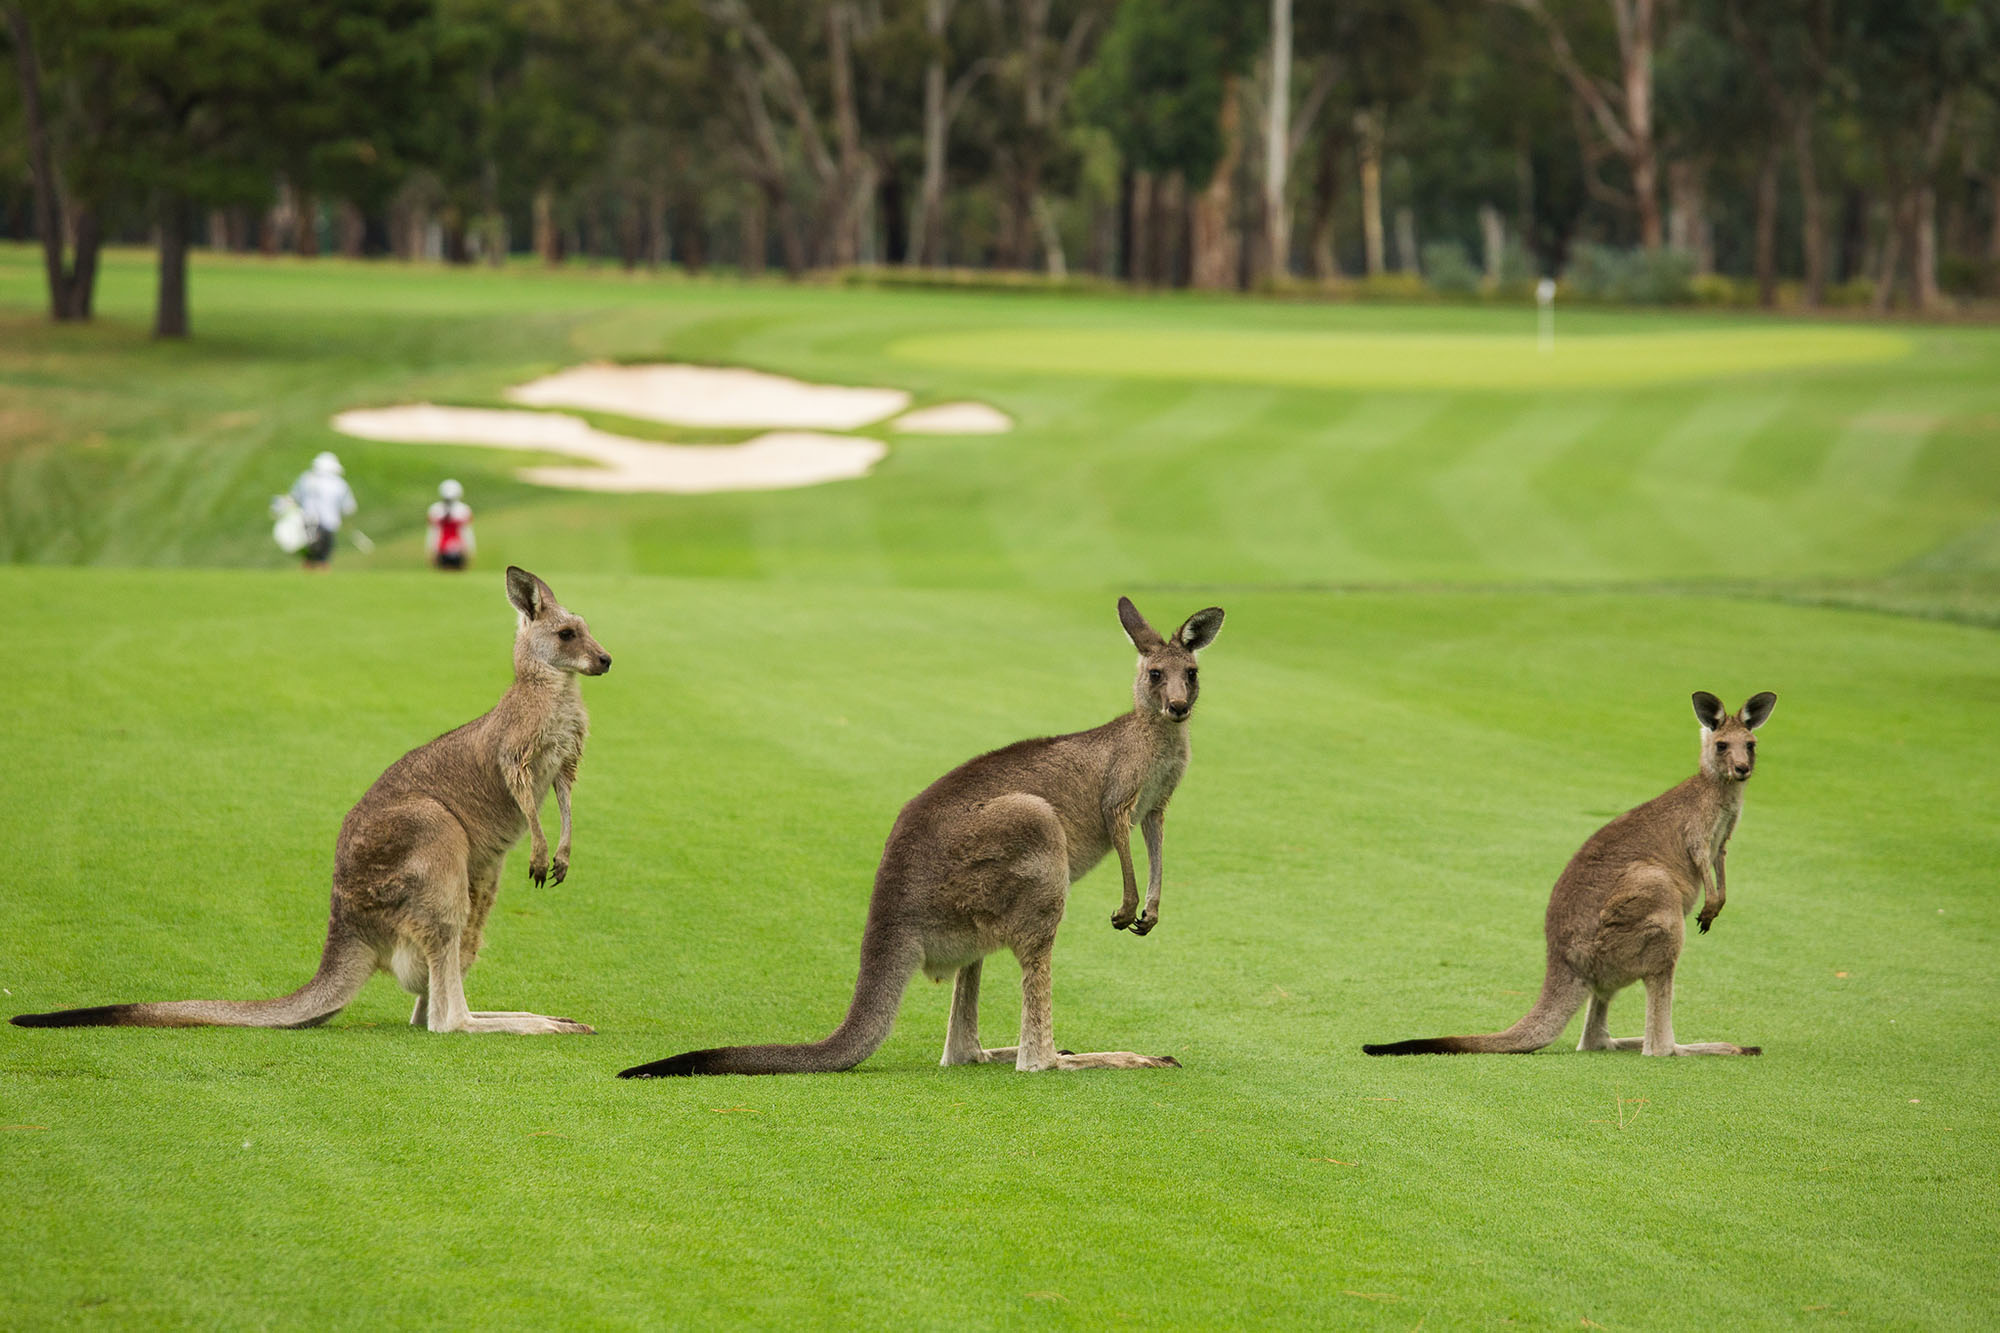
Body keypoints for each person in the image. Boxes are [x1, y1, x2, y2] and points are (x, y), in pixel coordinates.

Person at [290, 451, 356, 571]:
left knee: (309, 556)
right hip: (328, 525)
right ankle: (321, 580)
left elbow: (295, 497)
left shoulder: (305, 479)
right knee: (323, 558)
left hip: (307, 523)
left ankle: (307, 581)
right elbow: (348, 507)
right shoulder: (339, 484)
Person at [426, 479, 476, 571]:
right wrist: (432, 551)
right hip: (442, 549)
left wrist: (469, 550)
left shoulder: (463, 510)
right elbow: (434, 533)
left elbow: (466, 532)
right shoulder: (435, 510)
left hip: (459, 549)